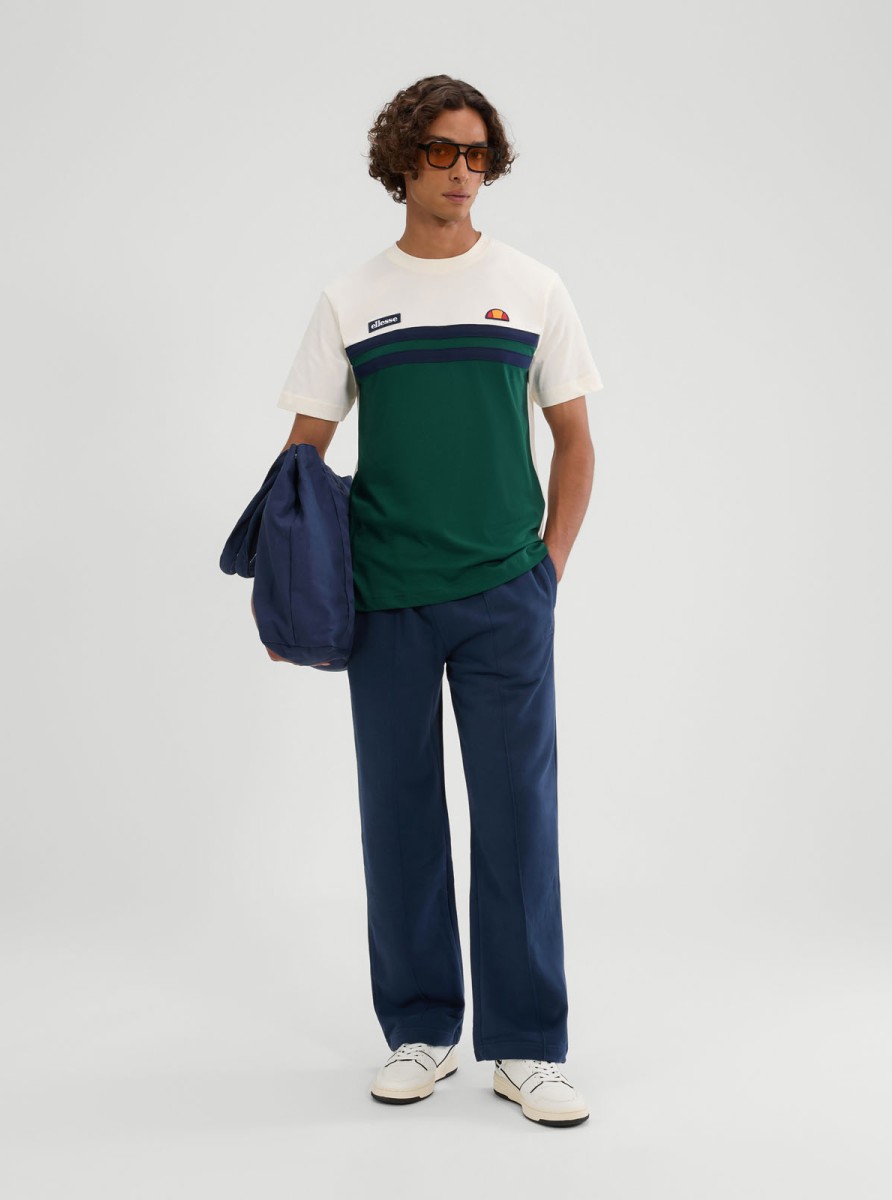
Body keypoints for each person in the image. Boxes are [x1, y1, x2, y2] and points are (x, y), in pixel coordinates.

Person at [266, 74, 601, 1127]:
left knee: (518, 819)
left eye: (477, 154)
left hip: (506, 594)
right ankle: (420, 1030)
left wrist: (545, 569)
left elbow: (577, 441)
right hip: (388, 600)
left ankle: (527, 1047)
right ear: (402, 160)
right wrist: (291, 596)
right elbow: (301, 464)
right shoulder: (352, 298)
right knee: (399, 817)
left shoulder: (533, 287)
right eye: (443, 151)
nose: (462, 171)